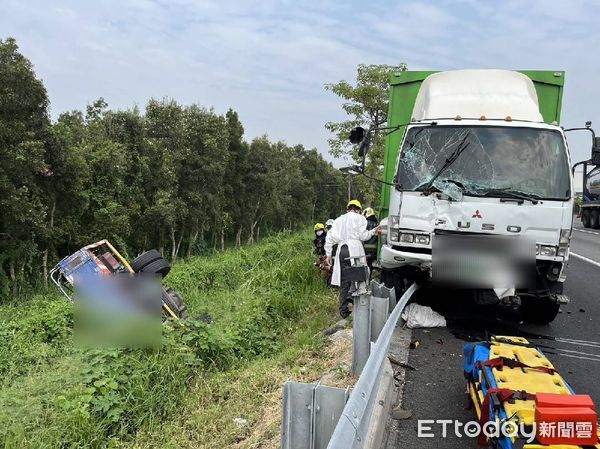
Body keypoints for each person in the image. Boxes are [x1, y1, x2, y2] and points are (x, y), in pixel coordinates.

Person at [325, 200, 381, 318]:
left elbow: (329, 238)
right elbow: (363, 236)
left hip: (342, 250)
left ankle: (343, 310)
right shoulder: (360, 218)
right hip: (354, 249)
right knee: (359, 277)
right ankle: (359, 308)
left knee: (344, 280)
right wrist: (373, 232)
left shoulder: (339, 220)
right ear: (359, 210)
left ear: (348, 209)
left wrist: (328, 255)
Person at [362, 208, 379, 272]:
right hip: (375, 251)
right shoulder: (377, 224)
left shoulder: (365, 223)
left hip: (365, 250)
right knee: (371, 267)